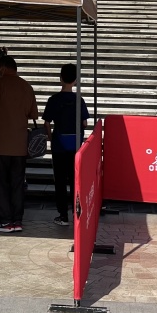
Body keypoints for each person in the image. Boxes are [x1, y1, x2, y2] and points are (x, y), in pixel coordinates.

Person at [0, 54, 38, 233]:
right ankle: (17, 220)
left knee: (0, 183)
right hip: (20, 146)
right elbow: (33, 114)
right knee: (17, 184)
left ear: (3, 68)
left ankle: (4, 220)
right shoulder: (26, 86)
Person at [42, 63, 89, 227]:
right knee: (75, 180)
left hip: (59, 145)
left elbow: (46, 122)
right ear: (75, 80)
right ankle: (77, 212)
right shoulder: (79, 100)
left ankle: (63, 216)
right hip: (75, 146)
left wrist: (51, 138)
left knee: (60, 181)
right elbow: (84, 123)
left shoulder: (53, 100)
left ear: (60, 78)